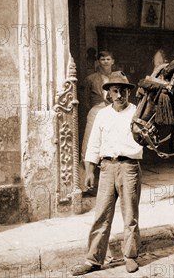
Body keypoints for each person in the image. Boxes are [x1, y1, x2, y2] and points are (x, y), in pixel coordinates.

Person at [71, 71, 144, 275]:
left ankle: (130, 256)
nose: (120, 95)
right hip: (106, 168)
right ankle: (93, 259)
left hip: (129, 167)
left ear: (129, 93)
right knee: (101, 214)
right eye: (115, 91)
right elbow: (94, 144)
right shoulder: (102, 114)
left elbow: (145, 140)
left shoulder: (136, 112)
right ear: (109, 94)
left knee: (130, 214)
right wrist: (89, 171)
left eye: (123, 91)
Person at [80, 51, 115, 163]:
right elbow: (85, 99)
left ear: (112, 61)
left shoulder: (118, 77)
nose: (105, 62)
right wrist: (95, 108)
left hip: (114, 110)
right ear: (98, 62)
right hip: (96, 110)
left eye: (108, 59)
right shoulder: (91, 78)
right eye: (102, 59)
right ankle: (87, 164)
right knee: (90, 137)